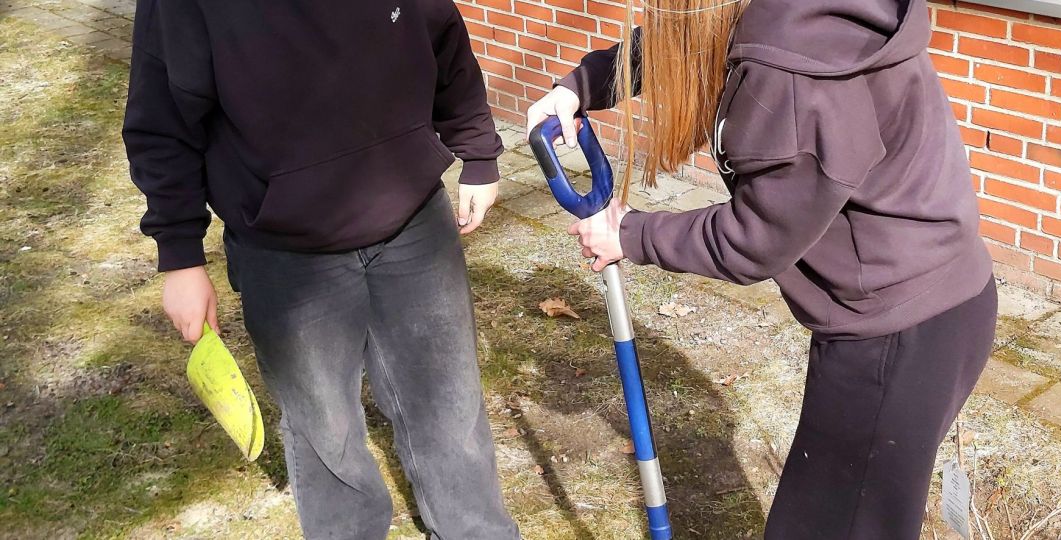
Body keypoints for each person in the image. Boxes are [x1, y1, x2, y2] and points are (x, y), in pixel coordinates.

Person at [528, 0, 997, 537]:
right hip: (931, 301)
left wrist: (629, 234)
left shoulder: (793, 69)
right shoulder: (793, 14)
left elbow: (758, 237)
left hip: (898, 336)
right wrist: (581, 86)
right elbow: (689, 34)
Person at [122, 1, 520, 538]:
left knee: (452, 408)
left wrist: (477, 151)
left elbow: (443, 37)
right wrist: (180, 256)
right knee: (324, 434)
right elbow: (161, 119)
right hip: (285, 251)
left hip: (414, 220)